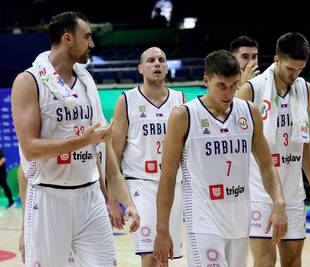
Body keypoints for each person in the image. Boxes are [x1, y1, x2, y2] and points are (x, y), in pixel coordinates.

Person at [11, 11, 140, 266]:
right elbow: (30, 149)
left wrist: (125, 201)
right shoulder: (29, 81)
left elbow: (101, 147)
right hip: (49, 197)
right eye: (87, 37)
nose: (92, 44)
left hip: (89, 196)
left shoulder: (86, 80)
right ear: (68, 38)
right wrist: (83, 140)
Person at [154, 50, 288, 267]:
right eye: (221, 86)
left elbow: (266, 164)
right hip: (203, 221)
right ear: (206, 81)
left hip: (239, 220)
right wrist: (162, 230)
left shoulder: (249, 112)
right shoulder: (183, 116)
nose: (228, 93)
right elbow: (168, 177)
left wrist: (279, 201)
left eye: (234, 85)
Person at [236, 32, 310, 267]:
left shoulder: (306, 89)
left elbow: (304, 143)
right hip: (259, 193)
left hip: (293, 192)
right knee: (265, 262)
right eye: (289, 68)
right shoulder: (251, 90)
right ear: (276, 59)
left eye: (300, 69)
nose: (294, 74)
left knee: (293, 261)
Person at [111, 47, 185, 267]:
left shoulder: (180, 100)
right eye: (151, 60)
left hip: (173, 184)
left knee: (164, 253)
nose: (157, 63)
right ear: (140, 68)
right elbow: (114, 152)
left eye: (162, 60)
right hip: (140, 183)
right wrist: (113, 199)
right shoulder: (126, 100)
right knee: (150, 254)